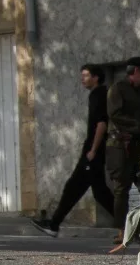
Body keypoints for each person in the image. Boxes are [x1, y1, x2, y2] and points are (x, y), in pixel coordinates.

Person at [37, 63, 112, 236]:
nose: (82, 79)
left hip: (93, 150)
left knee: (74, 187)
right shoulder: (98, 94)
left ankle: (53, 225)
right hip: (94, 149)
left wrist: (93, 150)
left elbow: (102, 124)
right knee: (100, 193)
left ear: (96, 77)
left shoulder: (99, 95)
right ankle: (132, 223)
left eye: (86, 76)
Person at [106, 57, 140, 240]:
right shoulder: (118, 89)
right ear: (136, 71)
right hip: (120, 146)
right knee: (122, 189)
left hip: (139, 146)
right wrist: (139, 126)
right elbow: (115, 115)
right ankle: (122, 230)